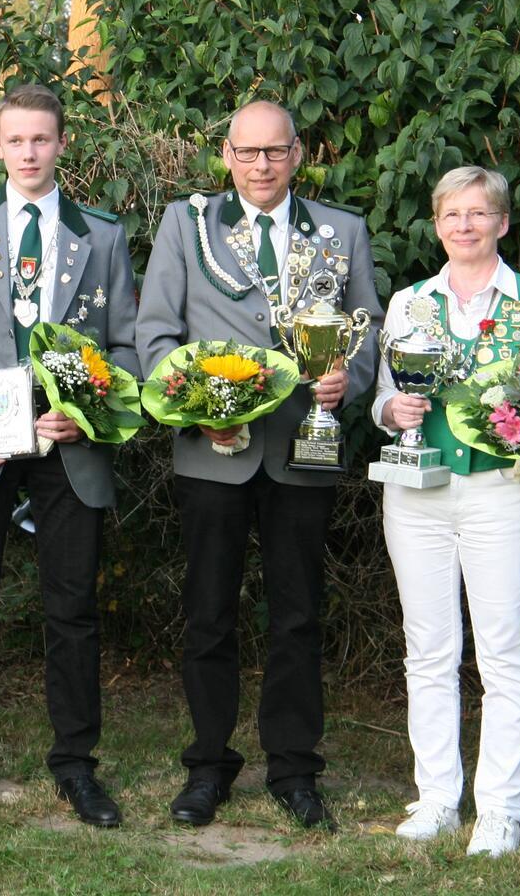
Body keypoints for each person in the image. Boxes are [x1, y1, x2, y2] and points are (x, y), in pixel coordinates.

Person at [137, 99, 383, 829]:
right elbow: (155, 335)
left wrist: (349, 381)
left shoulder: (341, 231)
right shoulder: (187, 225)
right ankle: (207, 768)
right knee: (208, 615)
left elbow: (369, 332)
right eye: (248, 153)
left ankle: (295, 769)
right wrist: (195, 408)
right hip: (215, 453)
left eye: (275, 152)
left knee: (300, 616)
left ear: (299, 154)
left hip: (303, 451)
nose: (262, 165)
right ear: (227, 156)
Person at [0, 85, 140, 825]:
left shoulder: (100, 234)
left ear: (63, 145)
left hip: (66, 443)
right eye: (17, 140)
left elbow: (127, 347)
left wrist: (89, 412)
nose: (30, 152)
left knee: (71, 608)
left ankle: (76, 765)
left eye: (43, 139)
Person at [374, 165, 520, 858]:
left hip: (501, 496)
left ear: (503, 223)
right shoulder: (408, 303)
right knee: (427, 651)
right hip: (417, 495)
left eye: (479, 213)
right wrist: (392, 408)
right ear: (436, 224)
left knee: (504, 656)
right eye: (453, 214)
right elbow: (379, 400)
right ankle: (435, 799)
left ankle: (500, 810)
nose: (465, 225)